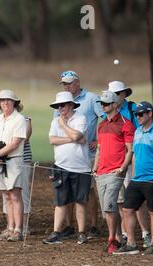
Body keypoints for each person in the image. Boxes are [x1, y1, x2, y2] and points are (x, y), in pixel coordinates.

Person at [57, 71, 103, 240]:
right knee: (66, 189)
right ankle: (69, 226)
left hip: (88, 153)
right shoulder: (62, 101)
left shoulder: (91, 98)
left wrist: (98, 140)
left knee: (88, 190)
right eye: (64, 84)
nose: (66, 86)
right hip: (68, 154)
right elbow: (57, 125)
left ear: (77, 82)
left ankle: (93, 226)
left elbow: (104, 118)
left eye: (69, 83)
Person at [114, 102, 153, 256]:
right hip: (137, 179)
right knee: (128, 209)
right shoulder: (138, 132)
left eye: (141, 114)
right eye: (136, 114)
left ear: (150, 114)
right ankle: (131, 243)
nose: (138, 117)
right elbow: (134, 155)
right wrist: (134, 175)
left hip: (152, 179)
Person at [107, 81, 151, 248]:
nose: (114, 97)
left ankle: (145, 233)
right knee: (120, 201)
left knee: (137, 199)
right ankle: (125, 234)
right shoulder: (108, 112)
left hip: (132, 160)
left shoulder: (133, 109)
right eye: (112, 94)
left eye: (117, 93)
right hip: (115, 162)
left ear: (124, 94)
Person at [43, 91, 91, 245]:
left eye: (62, 105)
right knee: (60, 201)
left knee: (80, 201)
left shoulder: (80, 118)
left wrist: (63, 126)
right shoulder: (55, 121)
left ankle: (82, 232)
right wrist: (72, 138)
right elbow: (51, 140)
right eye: (58, 105)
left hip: (81, 167)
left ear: (71, 105)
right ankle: (56, 232)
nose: (60, 108)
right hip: (61, 166)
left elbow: (78, 137)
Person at [92, 91, 134, 254]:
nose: (103, 106)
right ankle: (117, 238)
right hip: (101, 172)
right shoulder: (101, 125)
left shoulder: (126, 123)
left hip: (116, 172)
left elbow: (129, 149)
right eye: (101, 104)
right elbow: (99, 149)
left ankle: (111, 239)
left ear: (115, 105)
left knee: (110, 206)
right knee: (107, 210)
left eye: (106, 104)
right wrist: (95, 167)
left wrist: (123, 168)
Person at [0, 90, 26, 242]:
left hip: (13, 160)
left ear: (14, 103)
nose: (5, 103)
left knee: (15, 195)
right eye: (2, 101)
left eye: (8, 100)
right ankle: (10, 228)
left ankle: (18, 230)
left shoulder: (19, 119)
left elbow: (15, 143)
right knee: (6, 195)